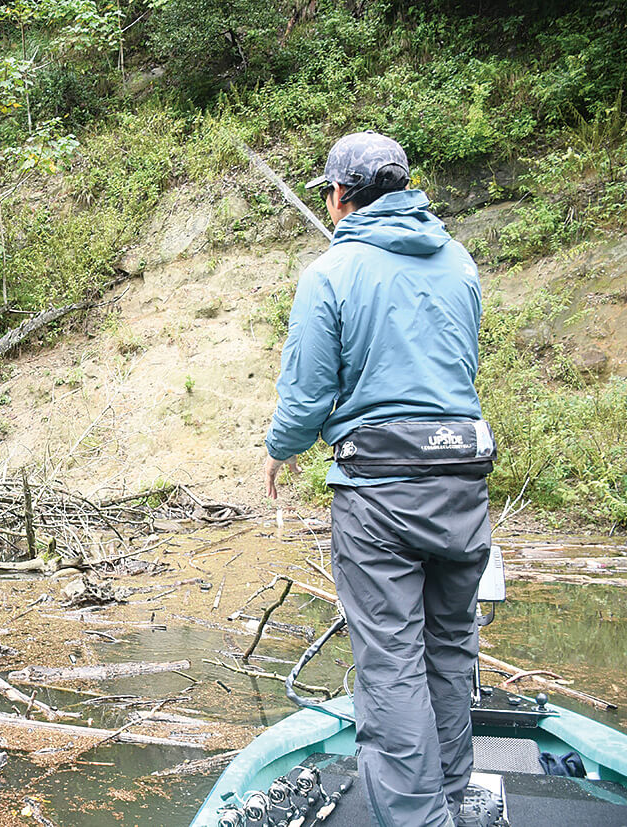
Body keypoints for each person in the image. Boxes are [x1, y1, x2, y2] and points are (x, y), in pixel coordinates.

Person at [263, 131, 495, 827]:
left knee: (391, 661)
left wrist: (279, 449)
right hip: (463, 480)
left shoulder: (330, 273)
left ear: (340, 197)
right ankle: (450, 802)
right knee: (450, 649)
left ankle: (421, 820)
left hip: (380, 492)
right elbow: (460, 368)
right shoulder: (459, 262)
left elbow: (305, 398)